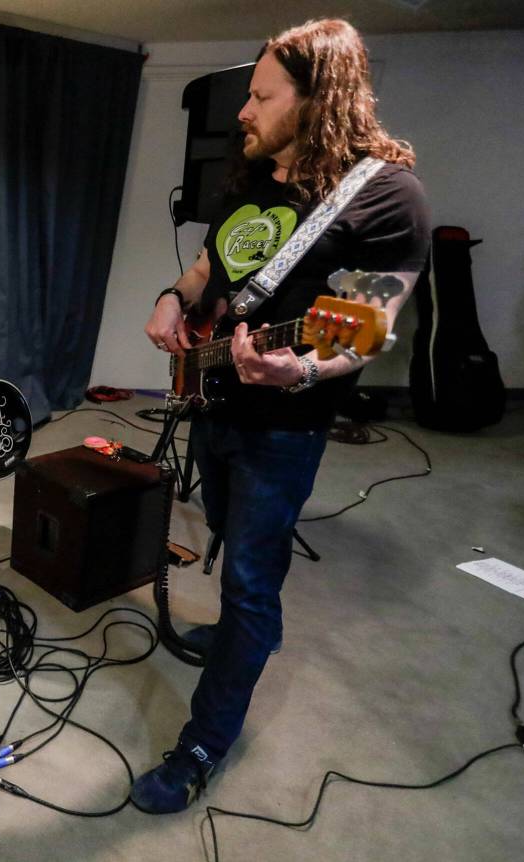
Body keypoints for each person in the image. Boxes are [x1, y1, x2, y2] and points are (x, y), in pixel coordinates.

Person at [134, 19, 431, 814]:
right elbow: (207, 266)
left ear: (318, 99)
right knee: (226, 533)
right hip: (215, 401)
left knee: (252, 582)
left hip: (282, 427)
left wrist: (299, 365)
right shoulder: (253, 174)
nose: (243, 111)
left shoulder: (388, 196)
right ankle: (245, 641)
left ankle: (202, 743)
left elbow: (367, 325)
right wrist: (174, 299)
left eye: (263, 96)